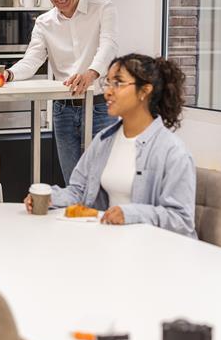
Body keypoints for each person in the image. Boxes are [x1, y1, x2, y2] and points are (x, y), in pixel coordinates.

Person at [24, 54, 196, 238]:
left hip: (153, 252)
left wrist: (130, 214)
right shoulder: (104, 140)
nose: (107, 92)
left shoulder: (172, 151)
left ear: (144, 91)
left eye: (118, 83)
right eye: (107, 83)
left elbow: (181, 220)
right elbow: (78, 191)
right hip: (109, 243)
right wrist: (50, 197)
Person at [0, 0, 118, 183]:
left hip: (100, 106)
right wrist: (8, 74)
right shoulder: (44, 22)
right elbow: (32, 59)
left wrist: (91, 73)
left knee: (103, 180)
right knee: (73, 181)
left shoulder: (103, 9)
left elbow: (109, 45)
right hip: (63, 110)